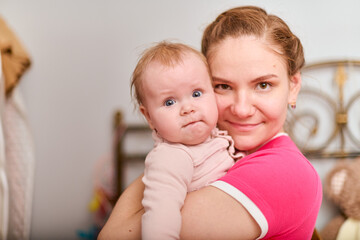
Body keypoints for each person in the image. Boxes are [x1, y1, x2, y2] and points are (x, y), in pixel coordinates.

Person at [98, 5, 322, 240]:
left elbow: (113, 236)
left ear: (293, 86)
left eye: (263, 85)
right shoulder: (212, 149)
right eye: (223, 86)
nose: (242, 109)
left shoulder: (284, 171)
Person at [130, 41, 243, 240]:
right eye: (169, 102)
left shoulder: (216, 135)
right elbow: (160, 219)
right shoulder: (171, 157)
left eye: (197, 94)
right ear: (148, 117)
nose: (188, 108)